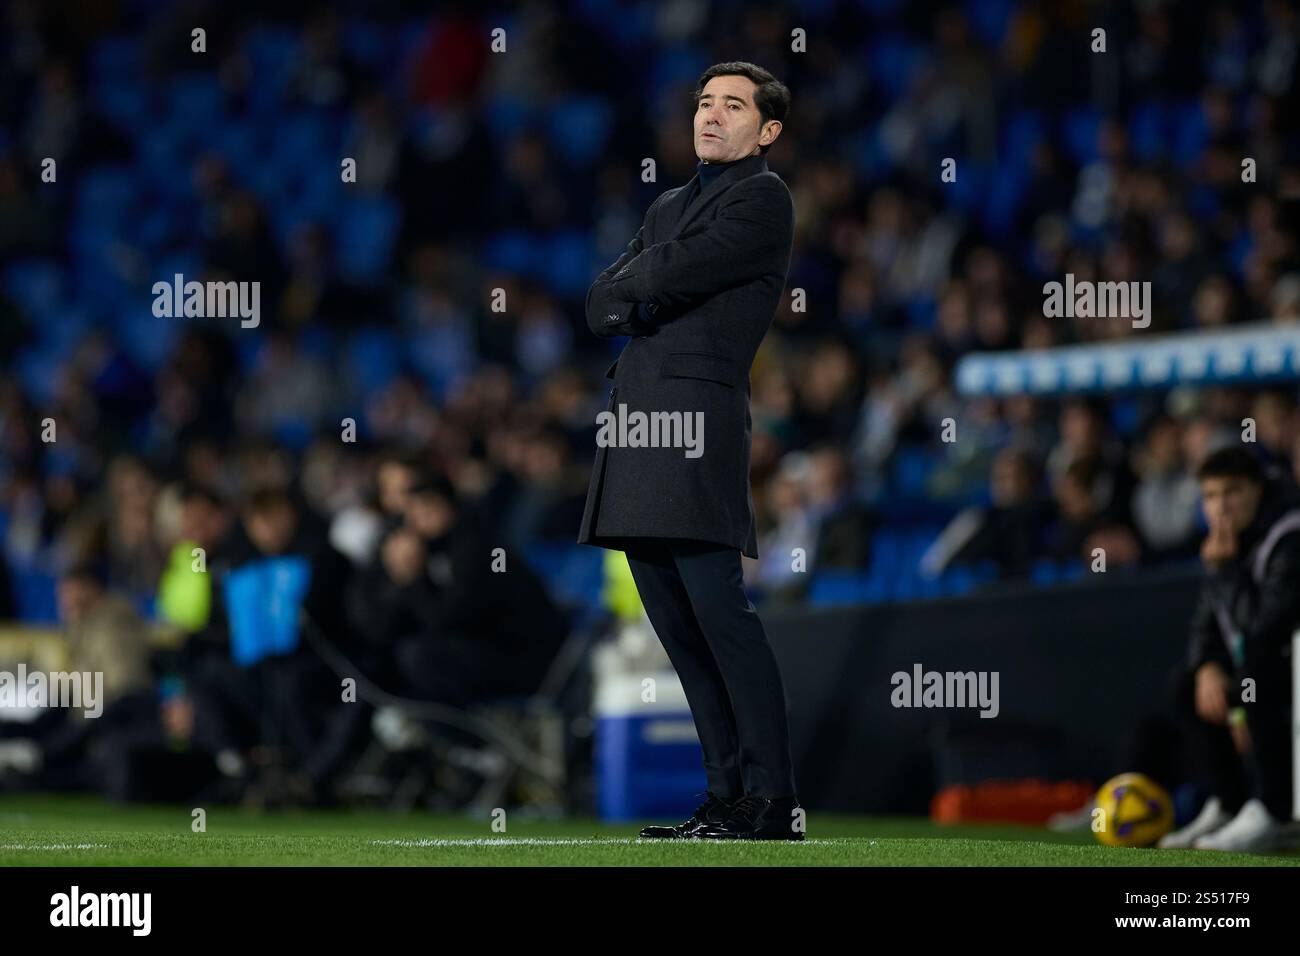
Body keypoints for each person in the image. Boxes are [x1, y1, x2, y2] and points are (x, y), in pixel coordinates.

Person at [578, 61, 802, 840]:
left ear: (766, 130)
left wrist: (635, 283)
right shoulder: (670, 201)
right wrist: (634, 286)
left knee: (721, 616)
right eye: (705, 102)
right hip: (637, 427)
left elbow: (672, 271)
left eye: (732, 105)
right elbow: (601, 300)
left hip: (697, 424)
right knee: (676, 627)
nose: (711, 115)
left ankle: (774, 801)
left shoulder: (764, 197)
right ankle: (724, 796)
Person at [1158, 448, 1300, 852]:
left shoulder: (1289, 537)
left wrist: (1225, 571)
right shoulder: (1228, 542)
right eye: (1210, 496)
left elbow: (1265, 630)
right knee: (1186, 684)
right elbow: (1208, 624)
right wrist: (1206, 667)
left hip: (1289, 672)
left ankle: (1274, 811)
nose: (1220, 507)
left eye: (1231, 493)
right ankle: (1230, 802)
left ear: (1257, 489)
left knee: (1255, 673)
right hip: (1263, 669)